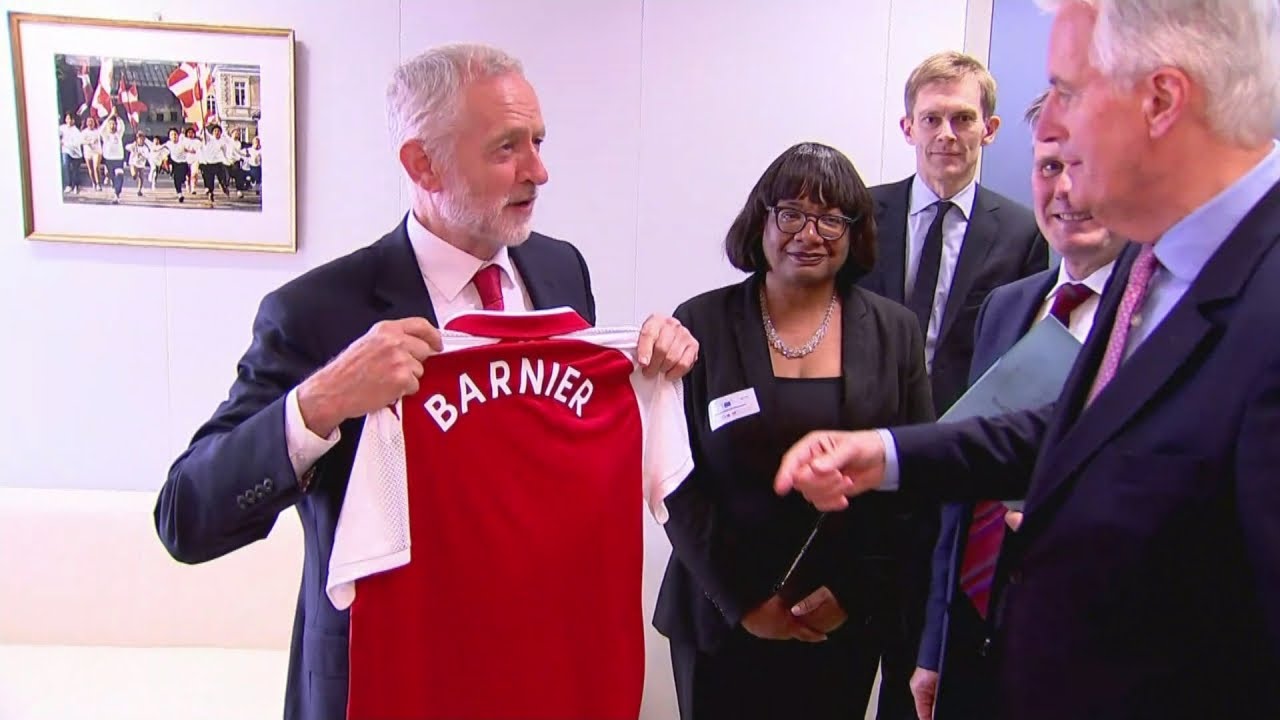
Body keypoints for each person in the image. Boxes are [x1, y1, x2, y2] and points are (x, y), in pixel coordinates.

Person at [154, 42, 698, 720]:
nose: (540, 170)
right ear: (423, 164)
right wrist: (321, 402)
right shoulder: (318, 312)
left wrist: (655, 363)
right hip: (389, 678)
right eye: (507, 149)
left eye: (538, 140)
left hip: (539, 669)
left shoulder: (561, 272)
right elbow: (184, 517)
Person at [774, 2, 1280, 718]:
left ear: (1161, 100)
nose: (1049, 127)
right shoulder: (1157, 265)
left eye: (1068, 90)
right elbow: (1078, 430)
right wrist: (886, 452)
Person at [653, 142, 935, 720]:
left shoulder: (894, 331)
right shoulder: (699, 322)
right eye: (792, 214)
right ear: (762, 220)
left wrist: (852, 594)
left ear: (854, 233)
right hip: (721, 613)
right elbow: (675, 478)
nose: (811, 232)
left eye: (832, 217)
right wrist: (746, 602)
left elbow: (914, 477)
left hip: (838, 618)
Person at [910, 88, 1128, 720]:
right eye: (1050, 167)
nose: (1067, 190)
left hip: (1090, 646)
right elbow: (966, 486)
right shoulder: (1008, 307)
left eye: (1088, 166)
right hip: (977, 634)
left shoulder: (1161, 318)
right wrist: (935, 647)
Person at [857, 51, 1048, 416]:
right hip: (862, 428)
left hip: (962, 435)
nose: (946, 134)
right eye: (931, 119)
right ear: (908, 127)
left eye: (962, 119)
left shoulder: (1024, 235)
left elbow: (1022, 356)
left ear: (988, 129)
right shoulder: (859, 215)